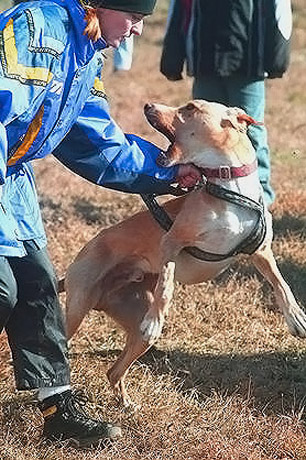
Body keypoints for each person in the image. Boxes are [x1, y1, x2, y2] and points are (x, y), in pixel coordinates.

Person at [0, 0, 201, 448]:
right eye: (132, 17)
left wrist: (167, 172)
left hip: (8, 182)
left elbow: (95, 141)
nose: (134, 30)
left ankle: (59, 411)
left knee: (36, 289)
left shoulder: (83, 51)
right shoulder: (36, 28)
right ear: (99, 4)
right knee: (1, 288)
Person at [160, 0, 293, 208]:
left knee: (250, 132)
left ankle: (260, 195)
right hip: (205, 60)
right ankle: (205, 194)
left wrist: (277, 56)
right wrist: (172, 54)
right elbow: (180, 10)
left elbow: (279, 10)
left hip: (248, 63)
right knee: (199, 131)